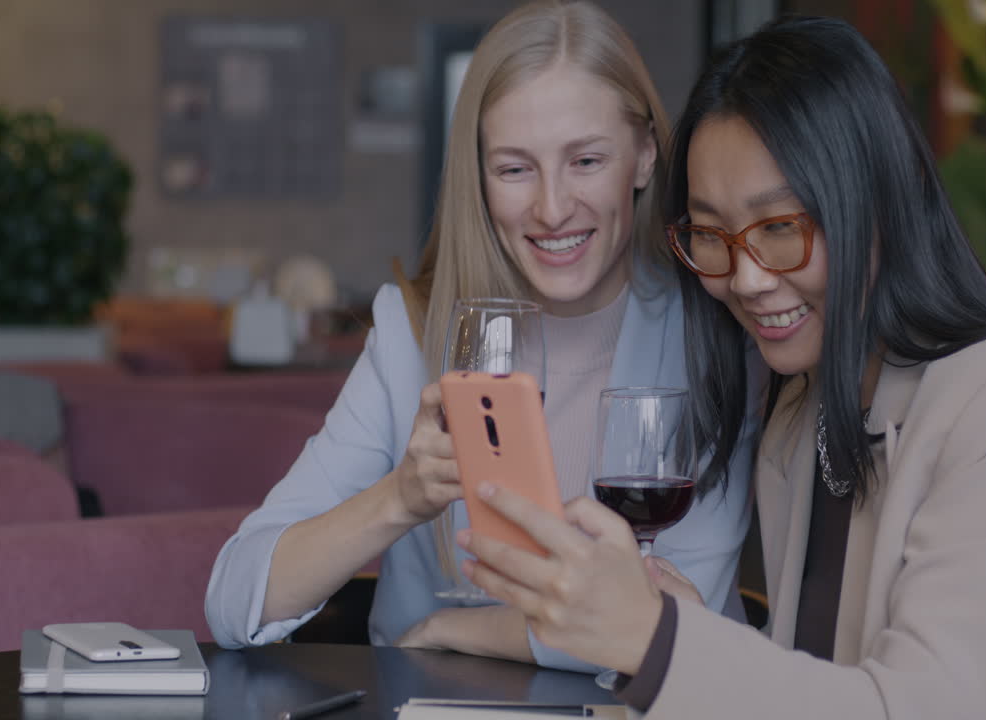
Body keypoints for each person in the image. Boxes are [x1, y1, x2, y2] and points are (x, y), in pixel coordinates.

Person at [457, 15, 986, 717]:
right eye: (712, 235)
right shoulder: (801, 414)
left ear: (876, 201)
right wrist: (688, 625)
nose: (747, 279)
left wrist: (659, 641)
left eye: (782, 227)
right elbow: (814, 677)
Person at [205, 0, 761, 671]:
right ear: (479, 176)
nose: (552, 208)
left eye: (585, 161)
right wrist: (399, 498)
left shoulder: (716, 333)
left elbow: (669, 624)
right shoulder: (410, 333)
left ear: (643, 157)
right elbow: (234, 603)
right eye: (514, 168)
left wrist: (451, 628)